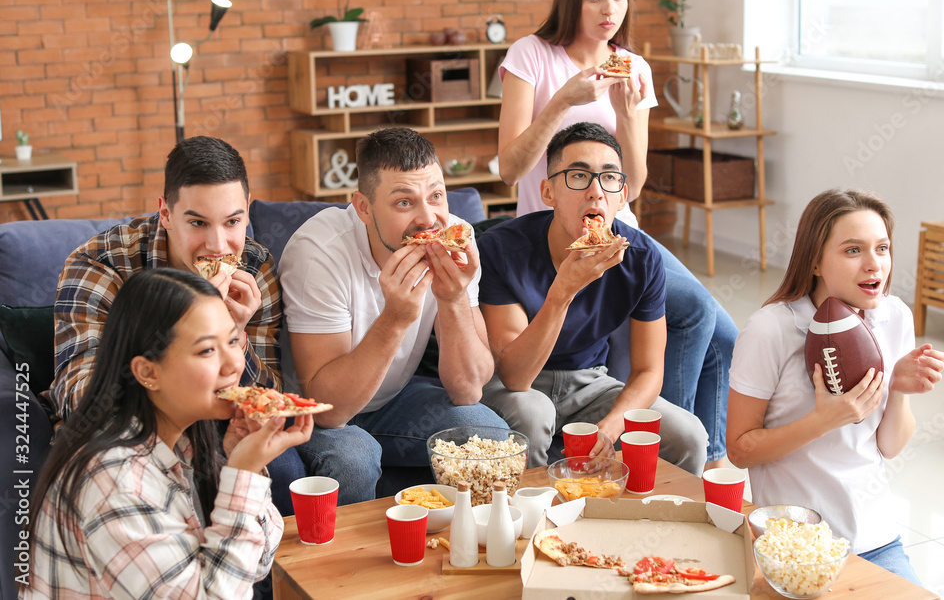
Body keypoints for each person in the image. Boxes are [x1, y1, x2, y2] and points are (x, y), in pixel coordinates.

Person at [496, 0, 736, 470]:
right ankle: (662, 445)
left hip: (616, 226)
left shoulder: (634, 68)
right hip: (551, 225)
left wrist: (628, 117)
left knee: (720, 330)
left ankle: (690, 451)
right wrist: (564, 99)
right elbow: (509, 167)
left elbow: (635, 183)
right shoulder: (530, 55)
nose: (610, 10)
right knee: (695, 313)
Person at [51, 136, 306, 515]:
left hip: (219, 423)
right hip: (129, 429)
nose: (218, 245)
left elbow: (268, 402)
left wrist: (234, 331)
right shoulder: (102, 263)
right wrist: (193, 320)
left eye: (232, 221)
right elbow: (80, 397)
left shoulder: (254, 267)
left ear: (248, 212)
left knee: (283, 467)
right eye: (198, 223)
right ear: (166, 214)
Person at [24, 268, 313, 597]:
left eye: (233, 340)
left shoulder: (183, 445)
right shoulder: (116, 482)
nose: (234, 364)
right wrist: (243, 476)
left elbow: (258, 564)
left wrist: (239, 463)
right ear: (148, 372)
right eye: (207, 350)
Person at [727, 189, 944, 584]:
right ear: (814, 260)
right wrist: (823, 420)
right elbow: (740, 450)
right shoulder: (770, 329)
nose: (873, 264)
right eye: (852, 250)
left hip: (875, 537)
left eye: (882, 248)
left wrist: (897, 388)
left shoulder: (894, 316)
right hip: (795, 544)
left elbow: (889, 446)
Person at [280, 126, 508, 504]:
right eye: (405, 202)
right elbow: (329, 410)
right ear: (363, 207)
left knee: (491, 435)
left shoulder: (459, 239)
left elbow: (468, 389)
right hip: (314, 408)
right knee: (355, 458)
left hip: (393, 401)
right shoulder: (318, 253)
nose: (428, 219)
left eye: (436, 196)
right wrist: (395, 318)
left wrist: (452, 299)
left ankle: (466, 552)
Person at [477, 122, 708, 475]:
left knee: (689, 435)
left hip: (591, 383)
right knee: (533, 412)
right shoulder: (501, 249)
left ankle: (654, 523)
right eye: (578, 176)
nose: (596, 191)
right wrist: (563, 291)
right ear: (548, 192)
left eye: (609, 178)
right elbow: (514, 376)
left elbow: (649, 370)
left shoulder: (642, 257)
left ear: (622, 194)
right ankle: (538, 522)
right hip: (515, 386)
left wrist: (613, 426)